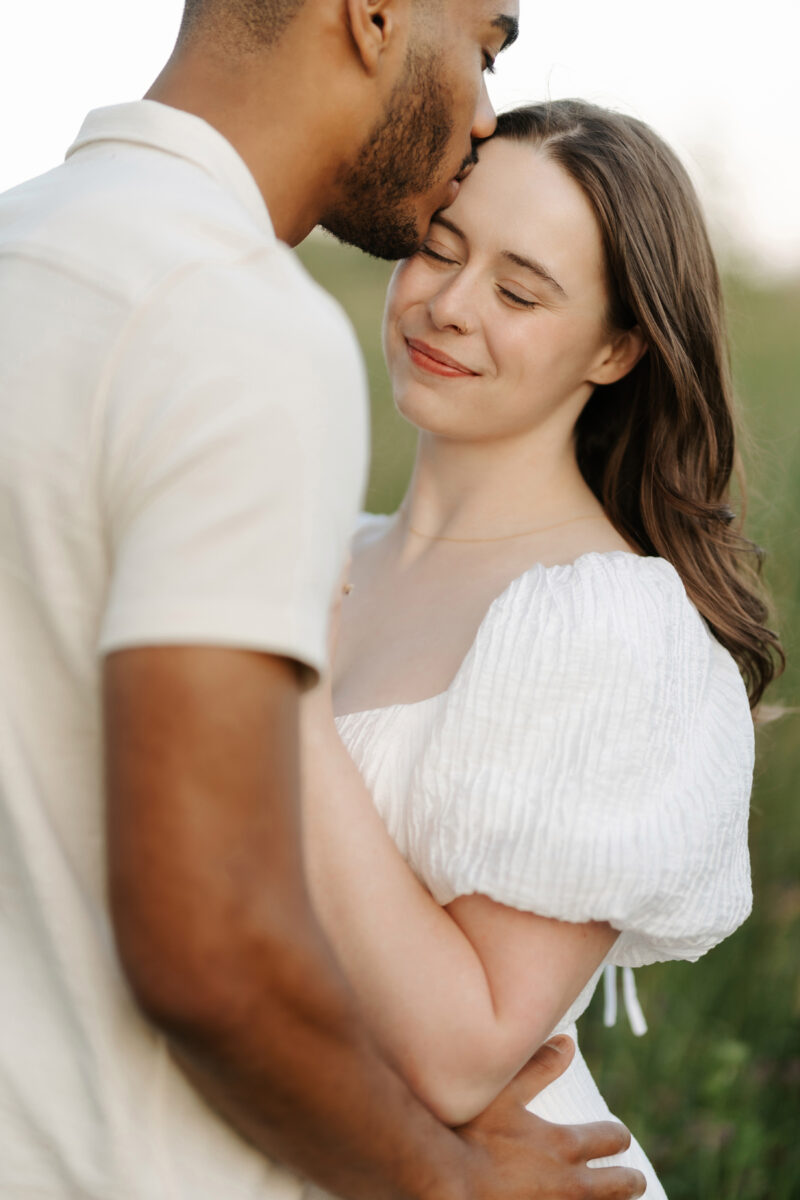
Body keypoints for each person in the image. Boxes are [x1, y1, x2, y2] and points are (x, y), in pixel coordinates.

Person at [0, 2, 649, 1198]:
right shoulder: (238, 322)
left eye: (522, 289)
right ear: (376, 16)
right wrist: (447, 1183)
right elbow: (210, 950)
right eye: (487, 44)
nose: (484, 105)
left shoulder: (26, 251)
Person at [299, 100, 786, 1198]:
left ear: (614, 348)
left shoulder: (607, 621)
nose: (448, 305)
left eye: (518, 291)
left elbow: (461, 1053)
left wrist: (282, 687)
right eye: (438, 246)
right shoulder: (321, 548)